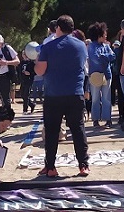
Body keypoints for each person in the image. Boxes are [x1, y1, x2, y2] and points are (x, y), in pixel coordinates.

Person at [35, 14, 90, 177]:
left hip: (54, 94)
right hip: (75, 93)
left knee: (52, 131)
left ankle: (51, 167)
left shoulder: (49, 47)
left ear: (58, 28)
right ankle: (83, 164)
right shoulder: (81, 46)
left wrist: (36, 61)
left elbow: (40, 70)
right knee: (78, 129)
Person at [86, 22, 114, 128]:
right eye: (104, 33)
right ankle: (96, 119)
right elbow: (96, 59)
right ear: (99, 34)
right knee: (95, 98)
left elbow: (113, 56)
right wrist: (106, 58)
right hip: (95, 76)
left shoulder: (106, 46)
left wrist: (104, 57)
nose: (106, 35)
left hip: (107, 75)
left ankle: (108, 119)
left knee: (107, 98)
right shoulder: (91, 47)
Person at [18, 49, 36, 115]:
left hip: (29, 80)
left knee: (26, 95)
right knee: (22, 95)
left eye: (25, 54)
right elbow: (19, 71)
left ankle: (25, 110)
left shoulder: (31, 63)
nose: (24, 56)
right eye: (23, 54)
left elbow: (35, 72)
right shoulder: (21, 63)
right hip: (23, 81)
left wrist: (30, 73)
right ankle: (31, 104)